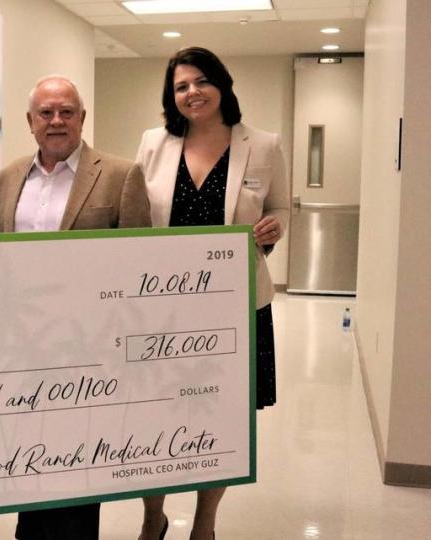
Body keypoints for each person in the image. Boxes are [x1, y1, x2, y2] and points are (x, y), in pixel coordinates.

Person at [134, 46, 289, 540]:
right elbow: (137, 218)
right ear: (170, 96)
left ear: (222, 84)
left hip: (236, 306)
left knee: (220, 417)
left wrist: (275, 227)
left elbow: (283, 207)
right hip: (162, 308)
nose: (192, 92)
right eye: (180, 86)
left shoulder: (263, 144)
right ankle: (152, 516)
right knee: (153, 415)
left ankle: (205, 523)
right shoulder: (152, 144)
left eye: (201, 81)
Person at [0, 75, 151, 540]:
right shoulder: (7, 179)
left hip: (89, 351)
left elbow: (139, 268)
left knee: (80, 464)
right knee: (27, 455)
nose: (56, 121)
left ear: (82, 117)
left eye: (66, 112)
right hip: (22, 351)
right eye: (46, 113)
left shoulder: (121, 175)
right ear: (30, 122)